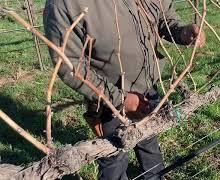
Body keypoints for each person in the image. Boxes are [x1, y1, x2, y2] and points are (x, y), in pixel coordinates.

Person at [43, 0, 205, 179]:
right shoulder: (64, 4)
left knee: (149, 143)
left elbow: (164, 18)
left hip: (147, 87)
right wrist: (118, 98)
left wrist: (181, 32)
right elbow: (69, 64)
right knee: (114, 157)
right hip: (108, 102)